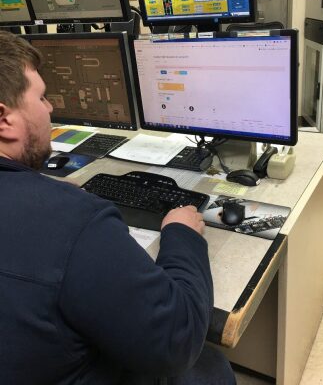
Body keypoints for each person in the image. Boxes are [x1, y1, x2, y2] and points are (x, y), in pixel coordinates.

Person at [0, 31, 236, 385]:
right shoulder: (72, 219)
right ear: (4, 119)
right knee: (209, 367)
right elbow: (176, 341)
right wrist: (182, 235)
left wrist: (41, 196)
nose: (50, 108)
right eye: (41, 97)